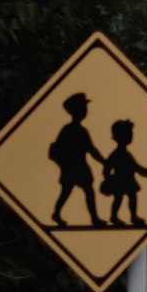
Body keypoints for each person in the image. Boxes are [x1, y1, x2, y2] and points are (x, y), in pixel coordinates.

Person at [44, 92, 100, 226]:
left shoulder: (81, 130)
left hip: (79, 166)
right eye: (83, 108)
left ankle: (93, 218)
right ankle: (58, 214)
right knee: (69, 191)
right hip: (72, 166)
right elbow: (90, 150)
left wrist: (104, 162)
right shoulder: (69, 130)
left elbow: (91, 150)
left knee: (85, 190)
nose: (86, 111)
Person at [99, 117, 147, 227]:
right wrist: (109, 178)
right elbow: (107, 168)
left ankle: (133, 216)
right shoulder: (117, 154)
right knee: (119, 198)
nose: (130, 136)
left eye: (130, 134)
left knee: (132, 197)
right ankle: (114, 216)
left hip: (129, 180)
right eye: (128, 134)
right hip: (120, 181)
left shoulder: (125, 154)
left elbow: (135, 167)